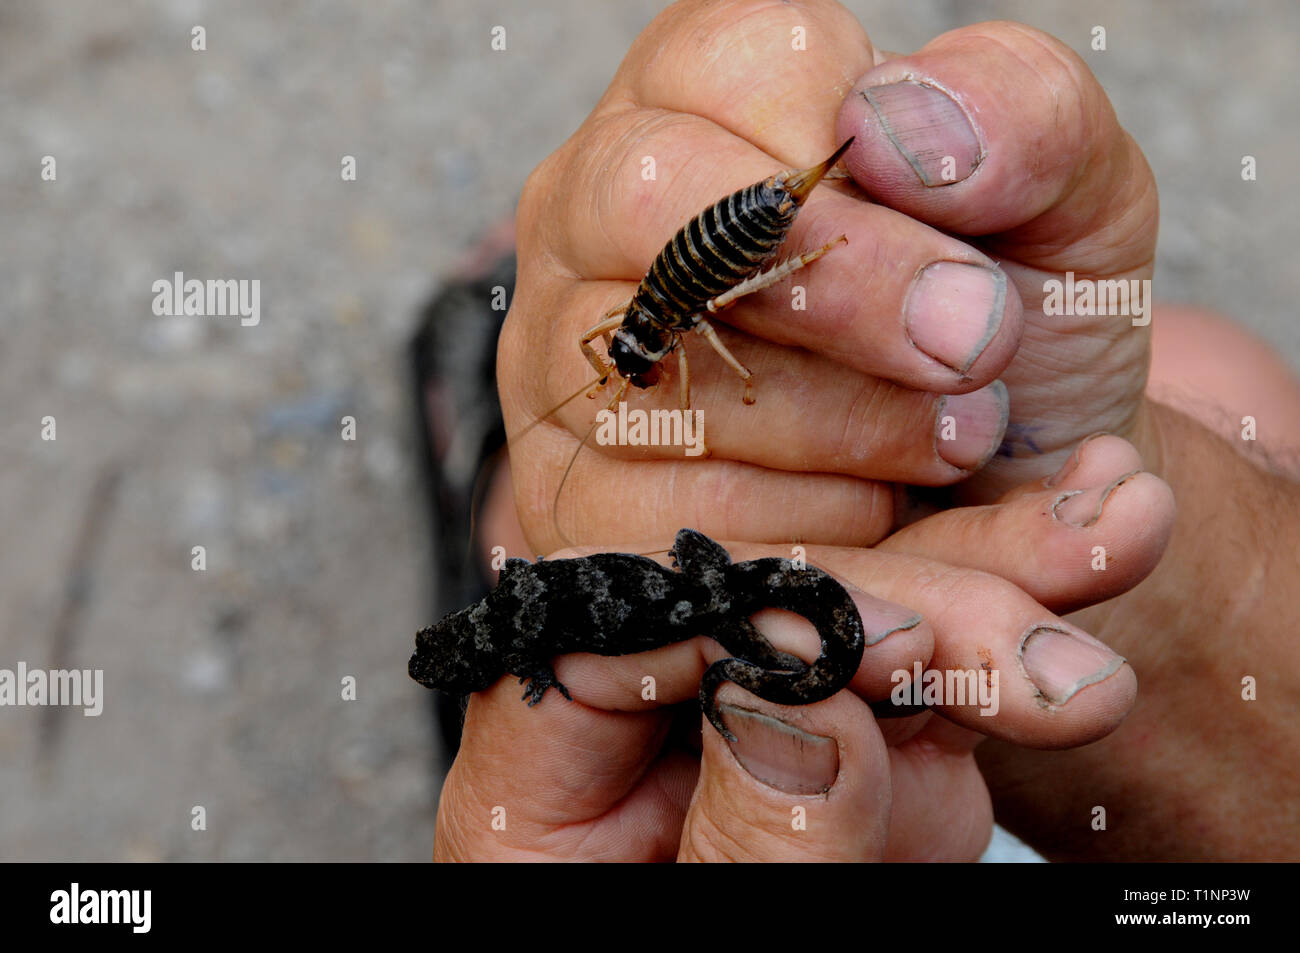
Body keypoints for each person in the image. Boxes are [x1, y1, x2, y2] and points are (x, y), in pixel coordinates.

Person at [430, 1, 1300, 861]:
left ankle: (500, 502)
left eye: (626, 358)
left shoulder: (669, 337)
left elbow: (700, 352)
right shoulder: (665, 329)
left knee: (619, 495)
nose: (626, 363)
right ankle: (520, 496)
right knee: (1226, 368)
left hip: (720, 260)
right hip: (710, 270)